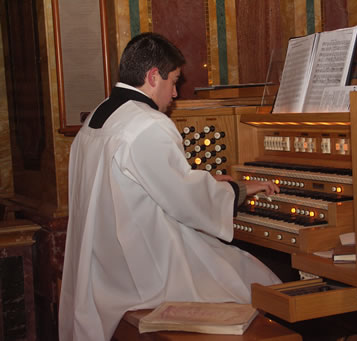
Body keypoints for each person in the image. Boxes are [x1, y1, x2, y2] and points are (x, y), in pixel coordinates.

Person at [58, 32, 281, 341]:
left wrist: (201, 179)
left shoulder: (99, 115)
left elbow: (134, 183)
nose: (175, 93)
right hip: (145, 271)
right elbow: (187, 202)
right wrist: (239, 189)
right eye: (174, 81)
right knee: (261, 281)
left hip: (104, 267)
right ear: (153, 76)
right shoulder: (148, 122)